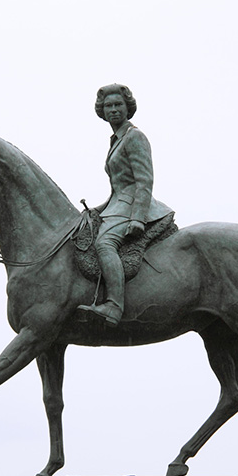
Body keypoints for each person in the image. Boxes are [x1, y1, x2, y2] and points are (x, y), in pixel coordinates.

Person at [77, 84, 173, 326]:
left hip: (135, 207)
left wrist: (138, 217)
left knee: (105, 243)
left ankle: (114, 306)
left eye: (118, 104)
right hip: (118, 205)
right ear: (102, 111)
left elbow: (144, 180)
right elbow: (116, 189)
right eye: (108, 106)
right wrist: (94, 211)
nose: (113, 109)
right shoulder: (116, 141)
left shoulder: (135, 137)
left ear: (127, 108)